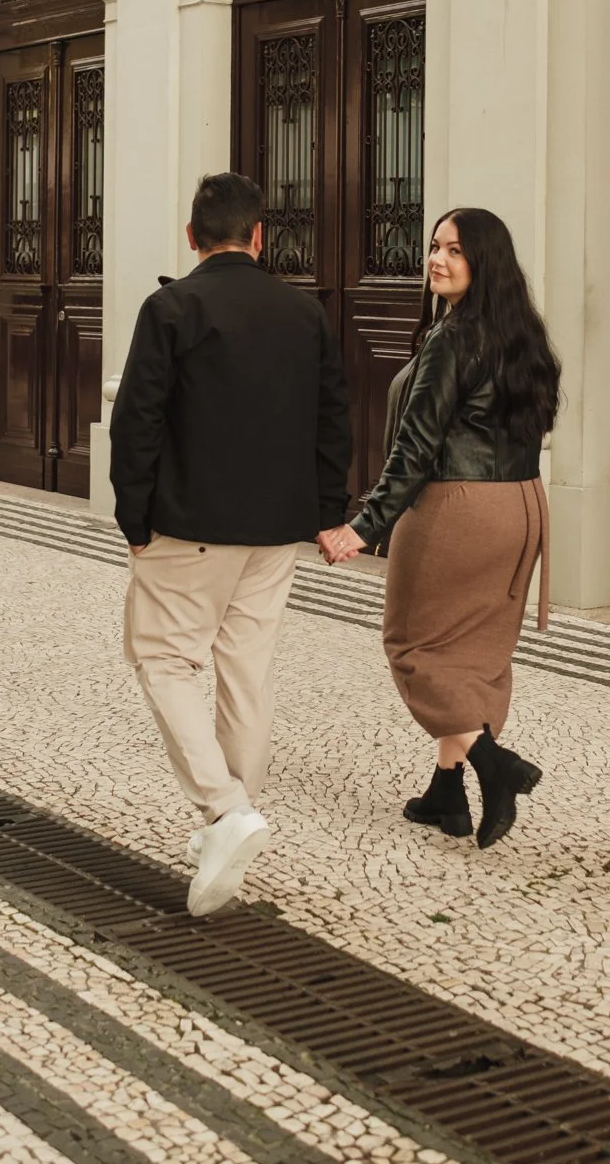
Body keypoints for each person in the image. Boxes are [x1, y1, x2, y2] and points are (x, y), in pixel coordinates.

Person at [110, 171, 352, 916]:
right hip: (275, 531)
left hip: (191, 526)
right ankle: (230, 814)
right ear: (259, 237)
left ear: (191, 237)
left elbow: (137, 418)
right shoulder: (304, 313)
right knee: (245, 672)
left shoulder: (172, 306)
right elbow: (332, 417)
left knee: (162, 657)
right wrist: (325, 509)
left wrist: (133, 515)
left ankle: (225, 809)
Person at [319, 208, 559, 849]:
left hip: (457, 508)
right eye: (433, 247)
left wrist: (363, 527)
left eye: (455, 250)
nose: (437, 259)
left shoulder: (453, 340)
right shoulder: (523, 335)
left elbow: (415, 450)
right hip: (522, 508)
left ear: (485, 262)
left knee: (414, 647)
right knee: (477, 655)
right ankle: (447, 792)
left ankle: (493, 765)